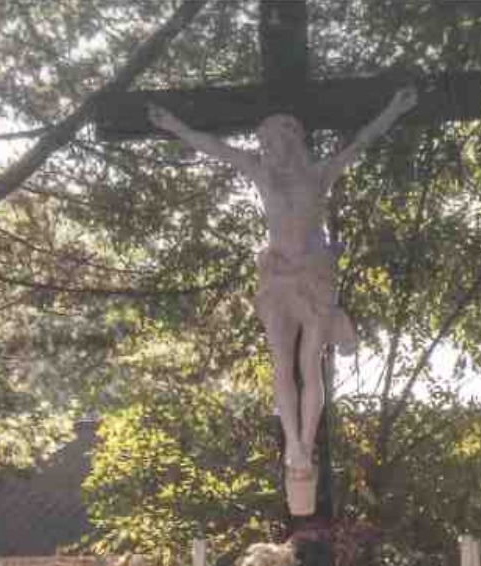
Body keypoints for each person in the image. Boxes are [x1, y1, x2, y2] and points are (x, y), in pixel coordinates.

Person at [148, 88, 418, 507]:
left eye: (277, 142)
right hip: (275, 279)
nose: (270, 149)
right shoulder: (260, 173)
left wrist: (394, 108)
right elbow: (216, 148)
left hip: (312, 277)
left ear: (294, 141)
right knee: (281, 362)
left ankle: (305, 446)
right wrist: (176, 127)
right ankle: (292, 442)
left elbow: (362, 141)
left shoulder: (319, 174)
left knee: (309, 361)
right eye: (266, 143)